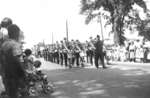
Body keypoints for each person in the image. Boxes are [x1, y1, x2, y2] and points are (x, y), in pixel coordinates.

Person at [0, 24, 25, 98]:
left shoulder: (4, 44)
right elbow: (17, 61)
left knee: (11, 95)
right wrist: (22, 74)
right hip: (14, 76)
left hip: (6, 75)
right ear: (16, 33)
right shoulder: (15, 44)